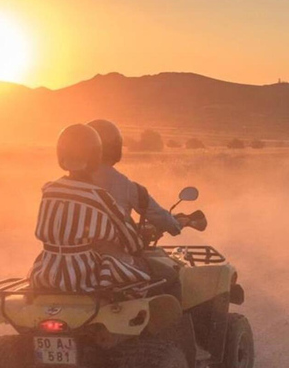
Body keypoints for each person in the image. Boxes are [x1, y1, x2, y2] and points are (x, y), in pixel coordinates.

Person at [29, 124, 150, 293]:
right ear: (95, 157)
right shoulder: (99, 196)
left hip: (45, 273)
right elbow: (130, 240)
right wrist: (137, 242)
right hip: (83, 277)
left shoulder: (48, 191)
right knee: (146, 272)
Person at [87, 119, 182, 236]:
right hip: (115, 252)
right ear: (116, 148)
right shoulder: (127, 187)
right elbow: (162, 219)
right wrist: (175, 224)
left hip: (73, 251)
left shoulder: (65, 184)